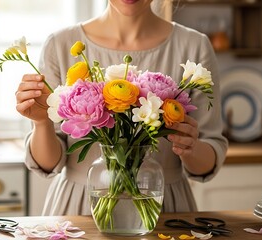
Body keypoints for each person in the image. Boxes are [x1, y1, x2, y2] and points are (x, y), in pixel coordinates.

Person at [15, 0, 228, 215]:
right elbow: (48, 164)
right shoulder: (60, 44)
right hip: (79, 210)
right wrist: (41, 122)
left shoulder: (195, 46)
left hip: (163, 210)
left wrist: (190, 147)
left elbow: (206, 163)